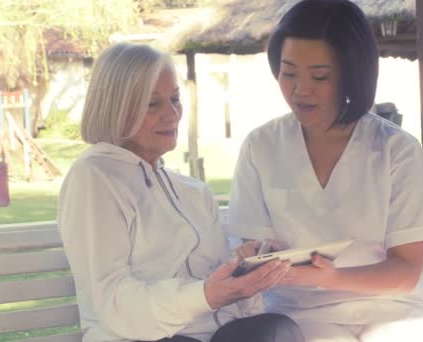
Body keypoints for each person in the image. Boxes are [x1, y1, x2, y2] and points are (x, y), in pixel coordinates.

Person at [228, 0, 423, 341]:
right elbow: (254, 245)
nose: (300, 89)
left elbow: (405, 271)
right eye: (288, 73)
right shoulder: (261, 146)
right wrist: (255, 254)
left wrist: (331, 278)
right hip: (298, 316)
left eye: (319, 76)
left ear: (351, 74)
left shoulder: (396, 150)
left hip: (394, 312)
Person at [58, 42, 304, 342]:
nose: (172, 114)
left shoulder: (194, 192)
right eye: (153, 104)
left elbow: (220, 292)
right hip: (138, 337)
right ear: (116, 106)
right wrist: (204, 295)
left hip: (214, 335)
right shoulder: (95, 175)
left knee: (278, 330)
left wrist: (245, 273)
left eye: (175, 99)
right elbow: (112, 300)